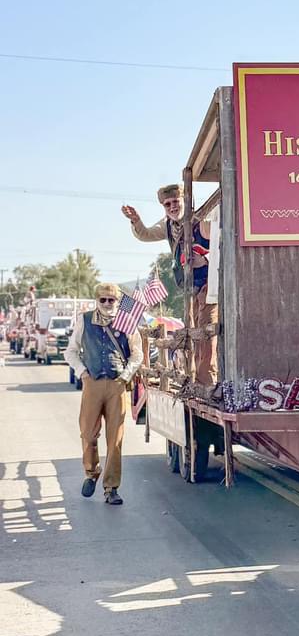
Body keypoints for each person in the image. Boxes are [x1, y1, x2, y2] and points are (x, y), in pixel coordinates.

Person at [121, 184, 218, 385]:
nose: (173, 207)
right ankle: (195, 379)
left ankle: (207, 381)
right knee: (192, 331)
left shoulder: (202, 221)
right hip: (190, 287)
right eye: (168, 204)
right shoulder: (168, 226)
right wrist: (136, 221)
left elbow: (219, 233)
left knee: (207, 330)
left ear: (185, 200)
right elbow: (146, 234)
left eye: (176, 202)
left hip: (211, 284)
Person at [64, 283, 143, 506]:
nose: (108, 304)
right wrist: (82, 373)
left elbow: (137, 353)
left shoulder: (127, 322)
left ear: (118, 302)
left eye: (112, 300)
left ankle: (111, 488)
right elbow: (70, 351)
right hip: (93, 383)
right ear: (96, 301)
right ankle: (91, 472)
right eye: (103, 300)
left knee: (115, 439)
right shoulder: (85, 320)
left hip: (117, 384)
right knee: (88, 434)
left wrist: (126, 376)